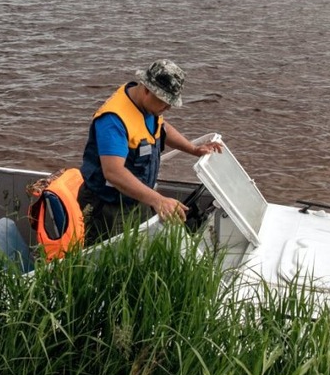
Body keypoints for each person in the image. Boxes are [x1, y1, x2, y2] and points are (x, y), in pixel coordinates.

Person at [78, 58, 222, 245]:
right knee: (111, 262)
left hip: (137, 198)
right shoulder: (113, 121)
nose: (168, 107)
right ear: (147, 89)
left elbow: (161, 128)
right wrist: (159, 200)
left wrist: (193, 149)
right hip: (108, 208)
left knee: (141, 249)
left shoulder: (147, 106)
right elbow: (113, 172)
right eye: (165, 101)